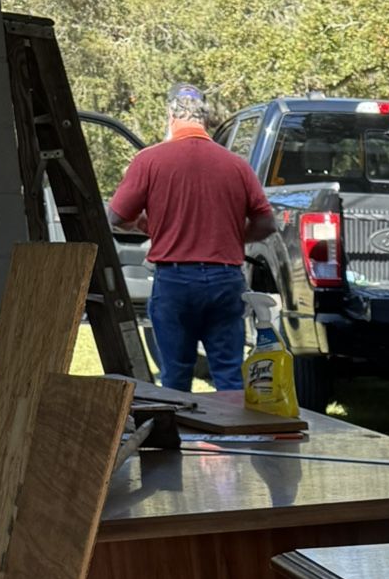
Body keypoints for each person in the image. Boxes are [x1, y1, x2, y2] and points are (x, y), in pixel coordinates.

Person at [108, 83, 278, 393]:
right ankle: (234, 438)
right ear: (207, 119)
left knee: (175, 376)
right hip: (226, 279)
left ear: (170, 114)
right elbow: (266, 223)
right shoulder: (237, 165)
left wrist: (151, 226)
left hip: (174, 282)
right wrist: (231, 235)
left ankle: (178, 437)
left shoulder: (150, 160)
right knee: (228, 374)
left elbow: (117, 217)